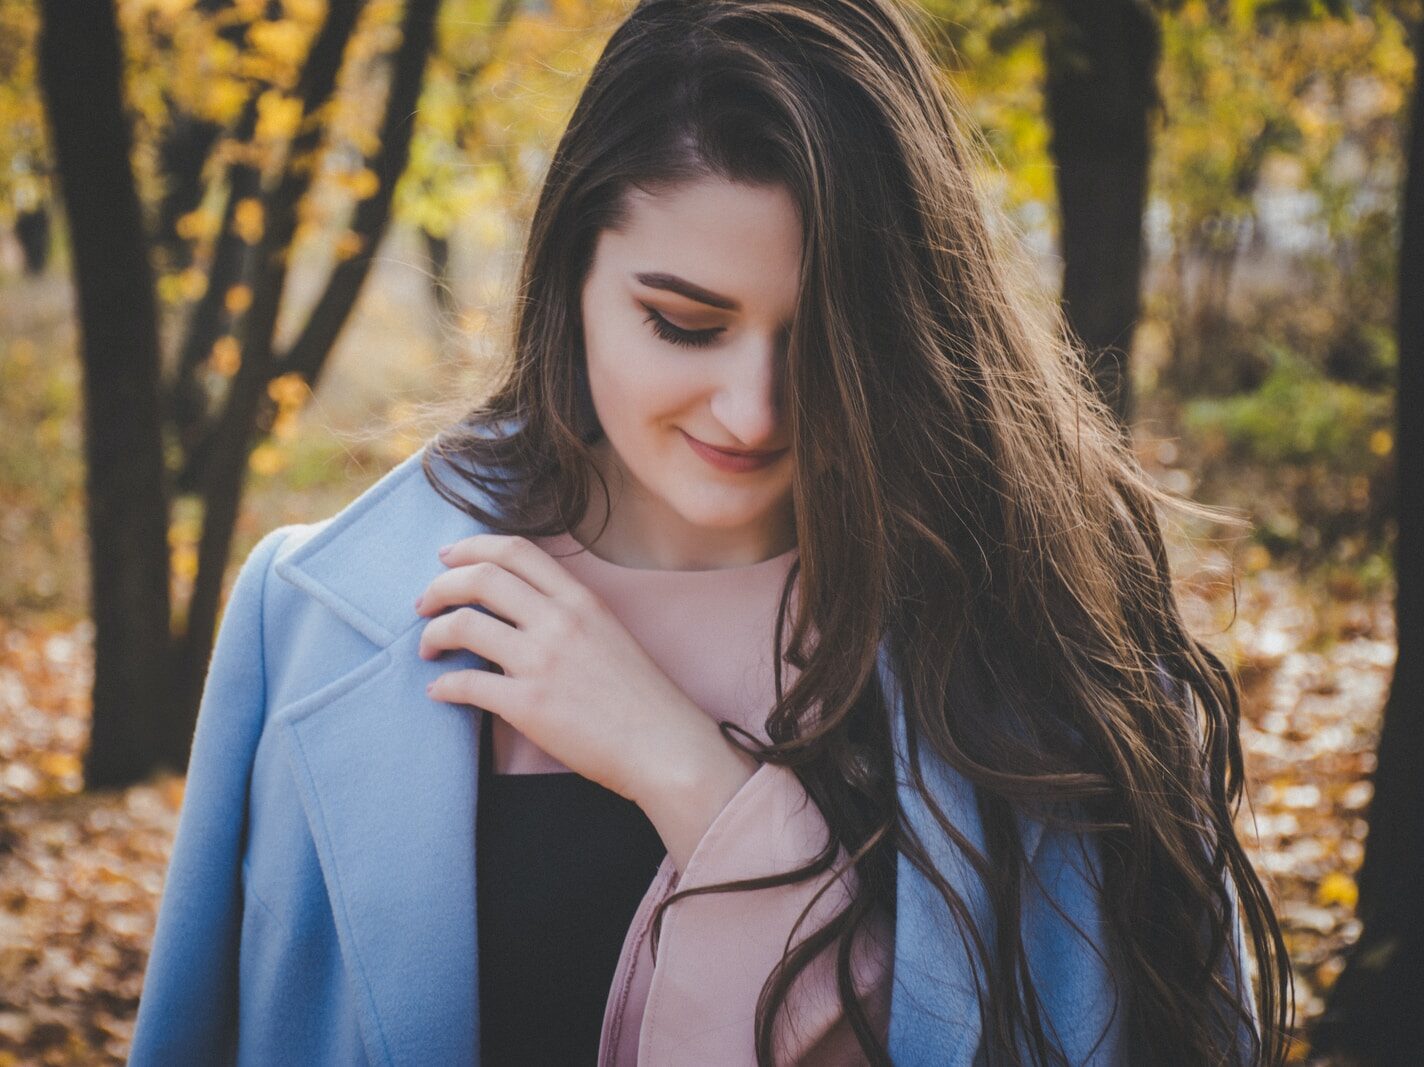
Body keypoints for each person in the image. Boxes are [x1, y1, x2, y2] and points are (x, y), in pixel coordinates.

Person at [128, 0, 1291, 1063]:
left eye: (824, 339)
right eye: (683, 322)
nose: (755, 411)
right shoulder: (316, 618)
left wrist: (682, 770)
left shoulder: (1048, 626)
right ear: (570, 273)